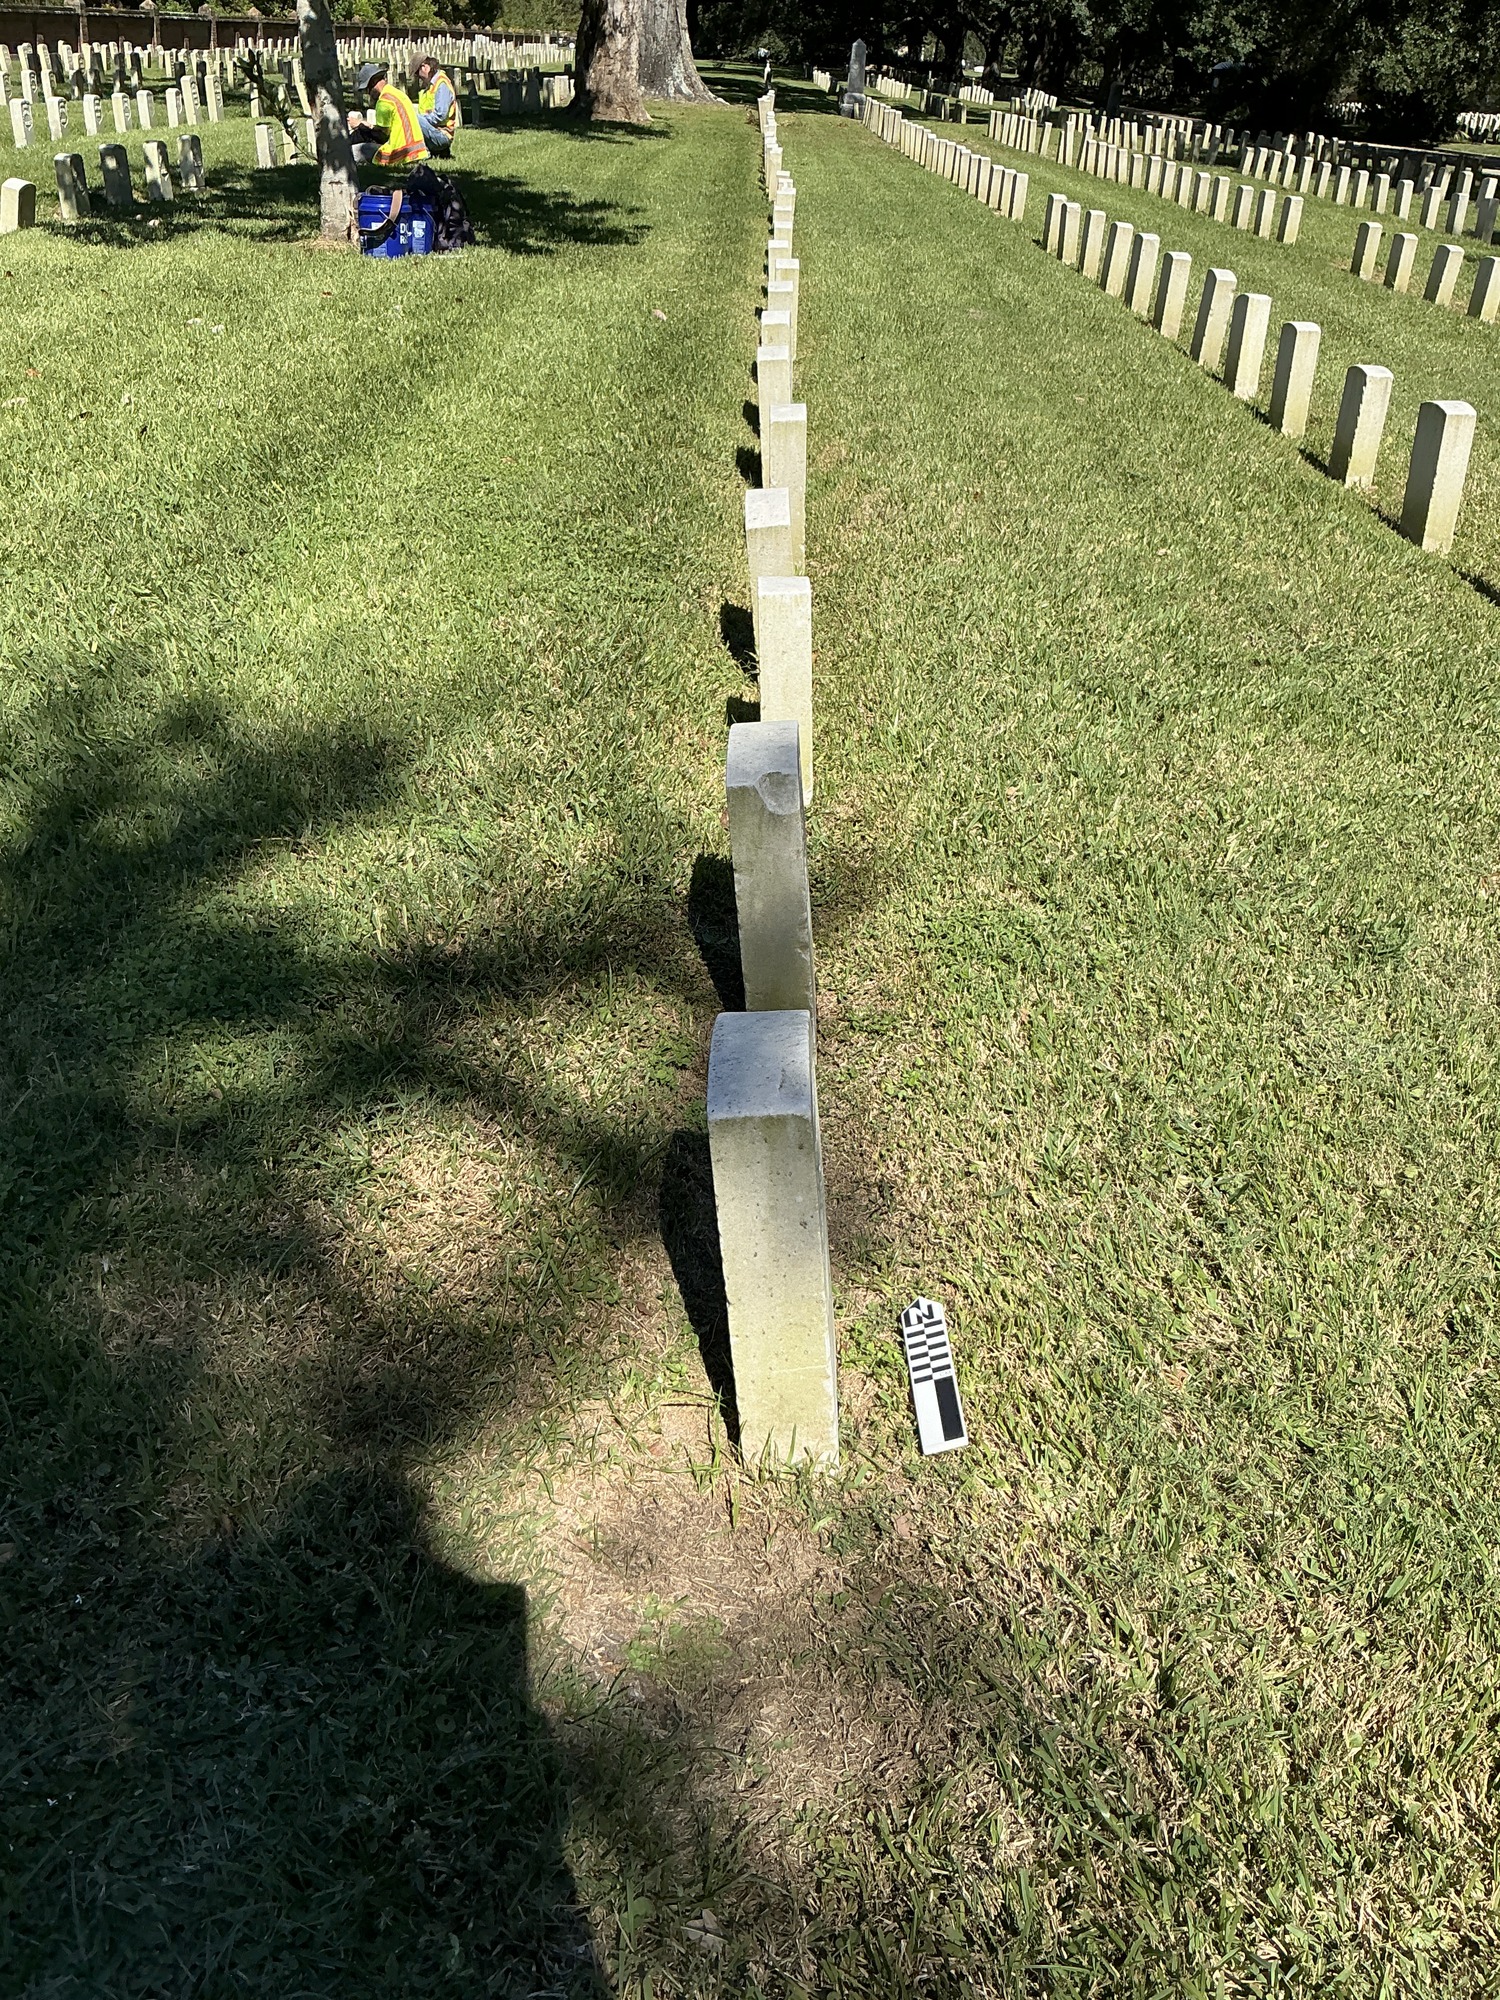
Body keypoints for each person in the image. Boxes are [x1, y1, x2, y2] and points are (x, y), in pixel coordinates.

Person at [347, 60, 428, 168]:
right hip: (416, 152)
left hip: (398, 153)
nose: (368, 93)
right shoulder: (396, 94)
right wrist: (365, 124)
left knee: (351, 152)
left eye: (367, 89)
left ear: (373, 82)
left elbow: (381, 136)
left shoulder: (384, 101)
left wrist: (360, 126)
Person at [412, 53, 461, 159]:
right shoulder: (428, 86)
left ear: (424, 67)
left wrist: (420, 120)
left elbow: (440, 115)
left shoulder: (441, 84)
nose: (418, 77)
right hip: (432, 130)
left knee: (413, 118)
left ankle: (426, 152)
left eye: (417, 73)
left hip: (442, 134)